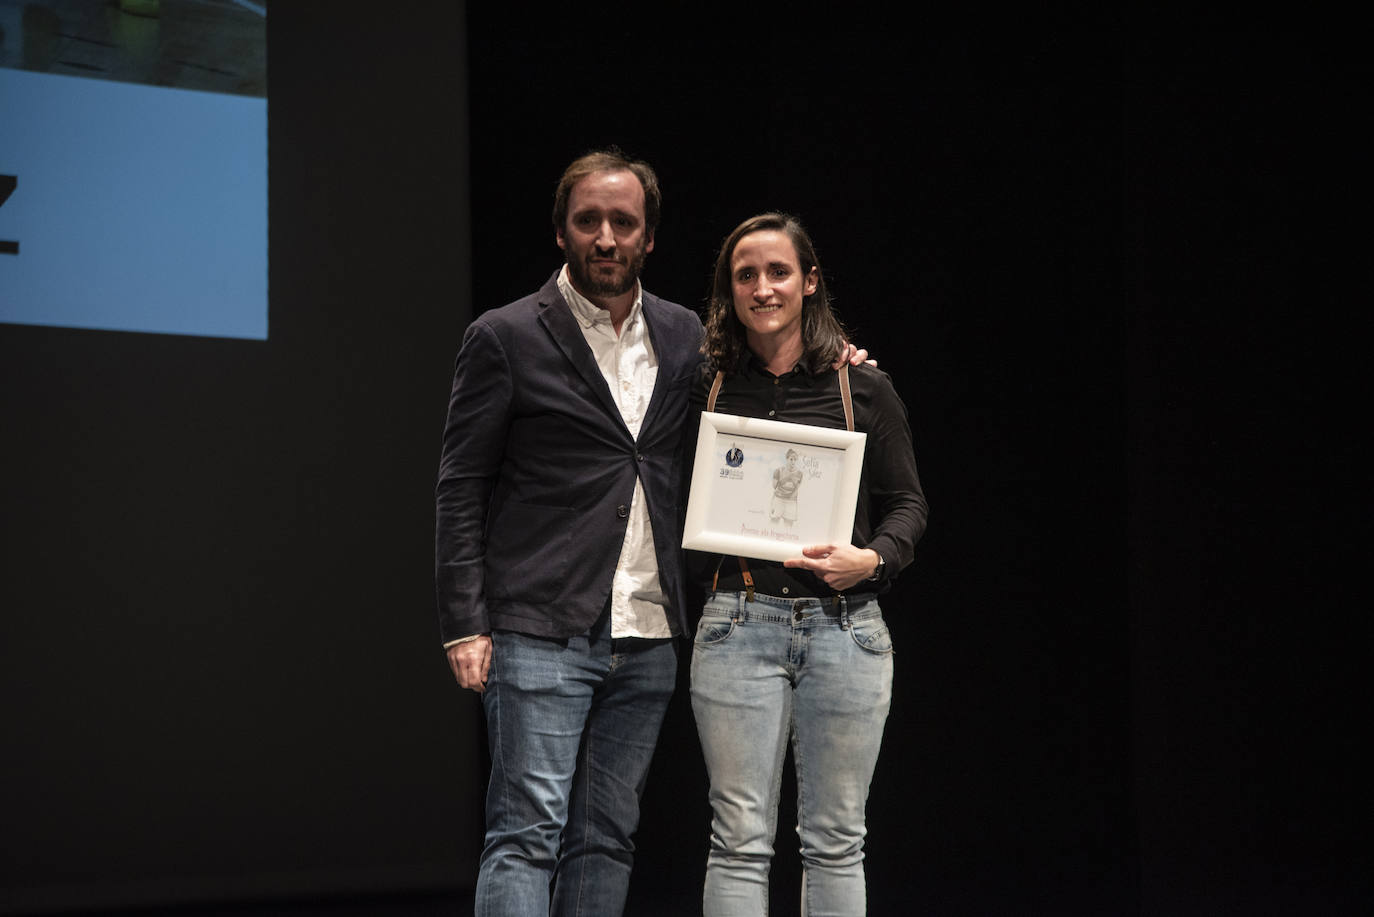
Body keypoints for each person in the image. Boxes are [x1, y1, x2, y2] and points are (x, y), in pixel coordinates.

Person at [434, 149, 704, 916]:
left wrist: (841, 361)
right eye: (590, 221)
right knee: (525, 835)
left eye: (625, 222)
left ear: (649, 237)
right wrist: (464, 622)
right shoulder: (506, 335)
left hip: (648, 631)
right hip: (539, 628)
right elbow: (460, 487)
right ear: (562, 232)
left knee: (608, 837)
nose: (607, 237)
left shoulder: (684, 336)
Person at [686, 212, 929, 915]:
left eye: (779, 271)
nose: (763, 287)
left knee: (836, 841)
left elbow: (908, 505)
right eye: (746, 275)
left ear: (810, 281)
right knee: (737, 840)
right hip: (738, 622)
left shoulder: (863, 388)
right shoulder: (707, 387)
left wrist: (873, 560)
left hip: (845, 626)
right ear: (729, 291)